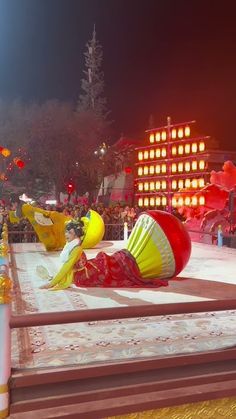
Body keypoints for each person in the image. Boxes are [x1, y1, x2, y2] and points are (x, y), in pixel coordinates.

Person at [38, 210, 192, 290]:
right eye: (66, 232)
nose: (66, 235)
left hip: (86, 275)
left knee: (114, 268)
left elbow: (67, 267)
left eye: (69, 233)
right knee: (107, 262)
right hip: (83, 271)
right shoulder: (73, 246)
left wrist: (52, 283)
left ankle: (127, 261)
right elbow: (69, 268)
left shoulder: (76, 249)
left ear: (76, 234)